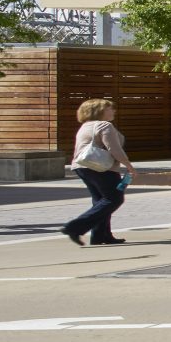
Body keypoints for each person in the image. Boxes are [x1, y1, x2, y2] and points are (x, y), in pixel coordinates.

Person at [62, 98, 135, 247]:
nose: (113, 111)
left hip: (82, 166)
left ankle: (101, 235)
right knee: (113, 199)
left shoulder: (85, 126)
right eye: (110, 108)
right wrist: (128, 165)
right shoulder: (104, 125)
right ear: (99, 111)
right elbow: (114, 149)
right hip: (102, 168)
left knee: (100, 200)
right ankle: (75, 227)